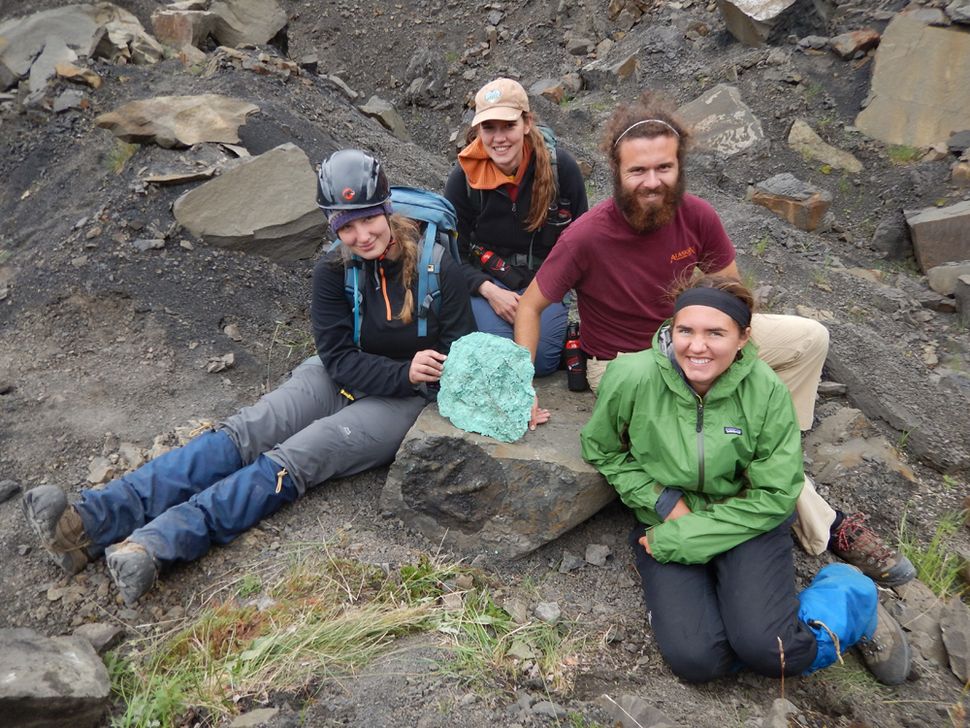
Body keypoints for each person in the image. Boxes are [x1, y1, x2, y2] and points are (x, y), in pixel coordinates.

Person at [22, 149, 476, 605]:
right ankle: (88, 522)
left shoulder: (439, 268)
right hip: (342, 374)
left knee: (301, 453)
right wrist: (397, 368)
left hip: (404, 398)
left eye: (366, 220)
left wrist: (425, 378)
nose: (360, 236)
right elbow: (336, 356)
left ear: (385, 209)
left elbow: (463, 355)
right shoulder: (333, 269)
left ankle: (157, 545)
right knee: (247, 431)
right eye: (345, 226)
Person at [513, 91, 915, 587]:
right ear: (615, 172)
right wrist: (521, 386)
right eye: (638, 171)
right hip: (633, 358)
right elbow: (531, 305)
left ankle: (774, 444)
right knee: (720, 401)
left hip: (700, 334)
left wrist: (737, 345)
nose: (652, 182)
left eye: (664, 168)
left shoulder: (697, 215)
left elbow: (732, 292)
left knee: (810, 337)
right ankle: (825, 523)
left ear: (680, 165)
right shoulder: (586, 236)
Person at [581, 274, 911, 685]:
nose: (696, 346)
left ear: (743, 337)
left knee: (771, 651)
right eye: (685, 330)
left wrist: (683, 535)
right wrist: (662, 501)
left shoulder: (766, 391)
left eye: (715, 333)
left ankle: (850, 597)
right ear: (671, 329)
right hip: (666, 515)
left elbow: (775, 494)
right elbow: (602, 449)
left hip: (746, 518)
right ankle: (749, 633)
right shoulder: (632, 376)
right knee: (697, 661)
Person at [444, 77, 588, 376]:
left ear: (526, 123)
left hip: (547, 282)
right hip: (489, 282)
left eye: (507, 126)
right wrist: (487, 290)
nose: (499, 138)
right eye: (489, 128)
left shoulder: (562, 169)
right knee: (499, 356)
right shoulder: (463, 179)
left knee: (542, 363)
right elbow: (451, 254)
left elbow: (583, 244)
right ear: (478, 130)